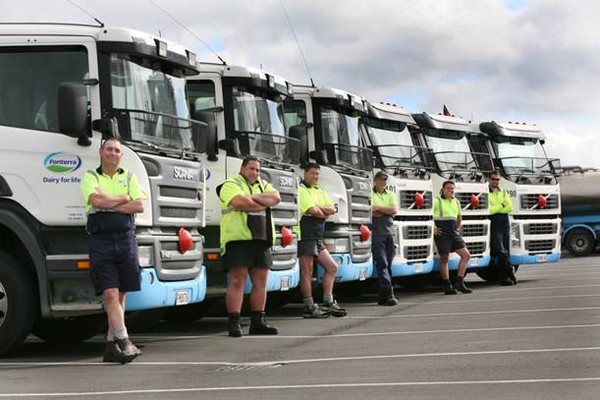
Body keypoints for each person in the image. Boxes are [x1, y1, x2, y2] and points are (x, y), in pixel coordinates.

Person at [81, 137, 146, 364]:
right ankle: (125, 340)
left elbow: (139, 205)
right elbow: (96, 201)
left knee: (120, 294)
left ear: (121, 155)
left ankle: (110, 345)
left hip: (126, 239)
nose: (112, 153)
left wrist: (112, 202)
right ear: (101, 152)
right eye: (109, 149)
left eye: (117, 150)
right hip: (101, 240)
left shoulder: (128, 175)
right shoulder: (91, 176)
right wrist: (124, 198)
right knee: (109, 293)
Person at [219, 156, 280, 337]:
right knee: (238, 280)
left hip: (261, 238)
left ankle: (258, 322)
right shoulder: (230, 184)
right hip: (238, 239)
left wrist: (251, 198)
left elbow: (276, 198)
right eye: (251, 169)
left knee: (261, 282)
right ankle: (234, 322)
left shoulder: (263, 184)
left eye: (257, 170)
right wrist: (261, 204)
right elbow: (238, 203)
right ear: (242, 168)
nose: (254, 173)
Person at [297, 163, 347, 318]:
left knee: (332, 267)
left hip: (318, 237)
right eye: (312, 173)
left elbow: (332, 209)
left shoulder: (319, 190)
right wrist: (322, 211)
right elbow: (311, 210)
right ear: (305, 173)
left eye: (317, 174)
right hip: (306, 235)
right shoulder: (301, 190)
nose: (315, 176)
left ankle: (328, 301)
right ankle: (309, 306)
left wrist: (321, 210)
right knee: (307, 271)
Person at [433, 180, 472, 295]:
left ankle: (459, 282)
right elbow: (429, 215)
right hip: (442, 233)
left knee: (466, 255)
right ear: (442, 189)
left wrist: (457, 228)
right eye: (448, 188)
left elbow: (459, 217)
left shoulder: (456, 202)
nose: (450, 190)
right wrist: (433, 228)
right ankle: (447, 285)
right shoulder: (436, 201)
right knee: (445, 259)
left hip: (453, 233)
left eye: (452, 189)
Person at [370, 171, 399, 306]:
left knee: (389, 263)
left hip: (389, 232)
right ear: (375, 181)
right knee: (382, 263)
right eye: (381, 180)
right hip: (377, 232)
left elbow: (394, 210)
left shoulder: (391, 194)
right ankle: (389, 293)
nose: (383, 183)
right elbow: (371, 212)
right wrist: (385, 210)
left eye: (385, 181)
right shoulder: (370, 194)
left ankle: (382, 295)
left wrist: (379, 209)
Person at [488, 169, 517, 286]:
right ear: (489, 179)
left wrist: (498, 208)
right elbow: (489, 210)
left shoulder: (503, 191)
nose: (495, 182)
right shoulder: (486, 192)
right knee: (501, 251)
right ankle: (510, 272)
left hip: (504, 222)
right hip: (494, 223)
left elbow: (509, 207)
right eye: (493, 179)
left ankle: (504, 278)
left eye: (497, 179)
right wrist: (501, 205)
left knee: (506, 250)